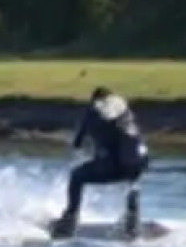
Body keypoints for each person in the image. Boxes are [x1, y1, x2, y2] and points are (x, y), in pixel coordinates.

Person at [49, 87, 150, 238]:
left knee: (77, 176)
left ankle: (69, 221)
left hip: (114, 165)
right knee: (132, 178)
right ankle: (132, 218)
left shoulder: (94, 110)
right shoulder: (125, 111)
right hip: (141, 161)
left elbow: (78, 143)